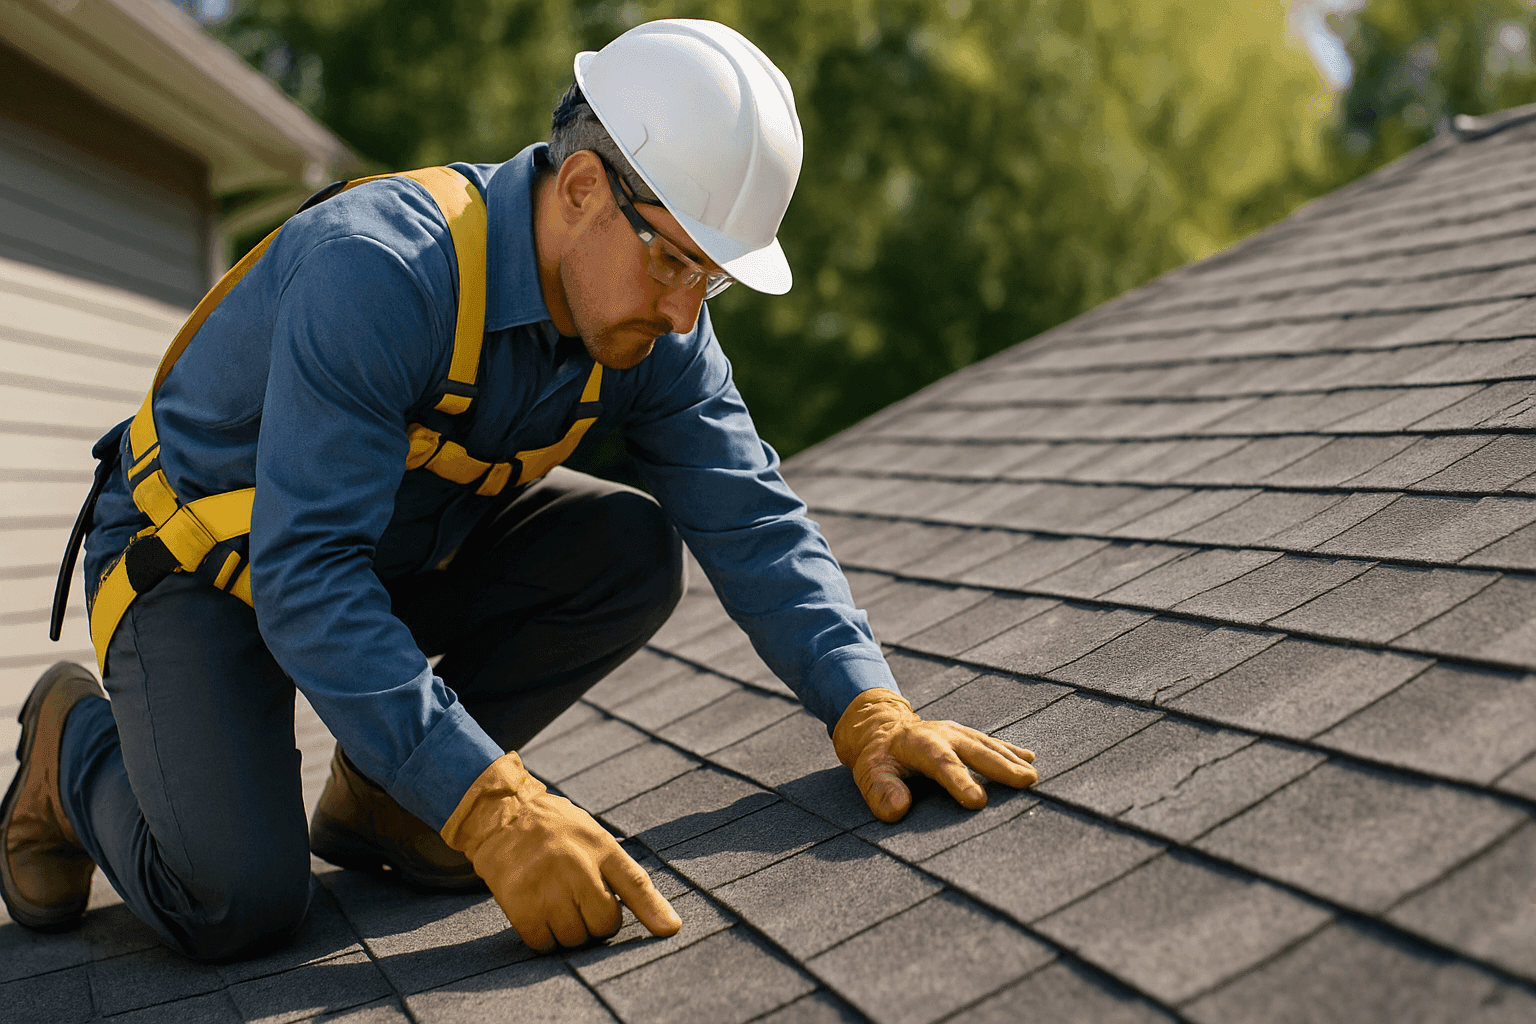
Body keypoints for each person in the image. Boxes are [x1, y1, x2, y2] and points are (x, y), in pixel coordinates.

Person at [1, 19, 1037, 962]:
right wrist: (493, 806)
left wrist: (866, 701)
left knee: (622, 548)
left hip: (375, 548)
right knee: (237, 904)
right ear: (581, 188)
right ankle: (68, 744)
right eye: (674, 262)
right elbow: (309, 577)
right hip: (197, 563)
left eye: (710, 279)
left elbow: (750, 508)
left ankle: (388, 808)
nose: (685, 315)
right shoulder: (380, 274)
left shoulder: (654, 320)